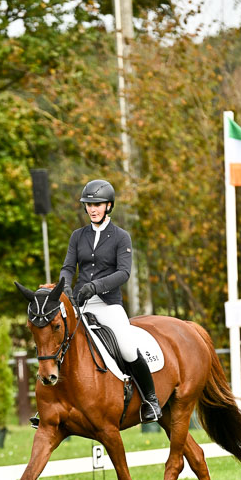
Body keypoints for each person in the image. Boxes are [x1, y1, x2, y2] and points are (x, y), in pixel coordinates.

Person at [59, 179, 161, 422]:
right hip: (80, 304)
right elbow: (67, 267)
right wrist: (65, 287)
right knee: (58, 342)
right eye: (89, 205)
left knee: (126, 346)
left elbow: (123, 273)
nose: (93, 209)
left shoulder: (121, 237)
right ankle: (51, 404)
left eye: (98, 205)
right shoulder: (77, 236)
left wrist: (95, 286)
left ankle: (150, 399)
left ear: (109, 206)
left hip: (108, 304)